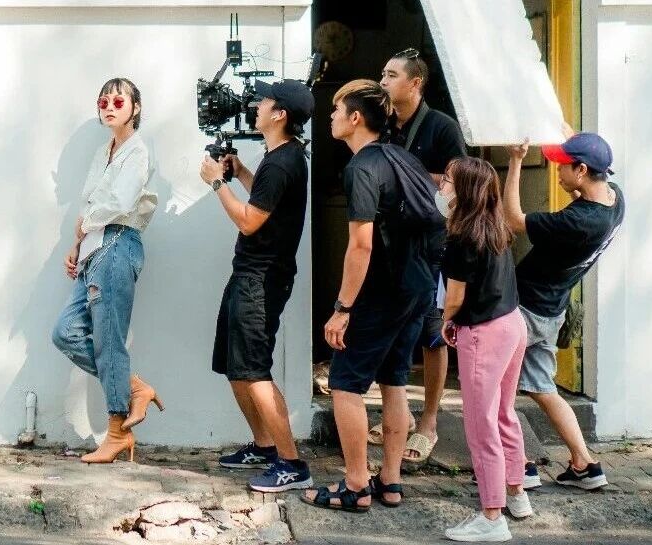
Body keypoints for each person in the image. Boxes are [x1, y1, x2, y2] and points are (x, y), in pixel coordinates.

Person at [301, 80, 432, 512]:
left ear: (355, 118)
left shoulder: (360, 168)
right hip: (416, 288)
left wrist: (342, 308)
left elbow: (361, 245)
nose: (331, 116)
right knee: (395, 383)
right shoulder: (405, 158)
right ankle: (390, 481)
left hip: (380, 293)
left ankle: (356, 485)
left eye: (336, 110)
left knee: (345, 384)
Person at [199, 79, 315, 493]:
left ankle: (292, 464)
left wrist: (217, 183)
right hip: (249, 273)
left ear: (279, 114)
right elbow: (265, 202)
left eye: (264, 100)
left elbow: (249, 221)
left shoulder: (283, 162)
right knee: (236, 367)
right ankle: (265, 447)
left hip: (261, 280)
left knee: (254, 370)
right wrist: (242, 172)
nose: (256, 104)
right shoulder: (279, 156)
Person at [503, 133, 625, 490]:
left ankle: (520, 467)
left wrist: (515, 161)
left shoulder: (578, 222)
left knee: (495, 388)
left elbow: (514, 219)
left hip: (525, 311)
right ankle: (585, 464)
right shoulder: (615, 199)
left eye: (563, 166)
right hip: (551, 311)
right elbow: (585, 193)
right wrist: (564, 131)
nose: (557, 171)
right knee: (543, 388)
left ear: (582, 170)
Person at [51, 77, 160, 464]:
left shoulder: (137, 151)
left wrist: (85, 225)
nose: (109, 108)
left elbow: (119, 203)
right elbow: (91, 206)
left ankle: (116, 434)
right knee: (65, 332)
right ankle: (134, 388)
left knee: (108, 340)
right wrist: (77, 246)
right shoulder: (104, 151)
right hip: (95, 249)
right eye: (103, 102)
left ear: (135, 108)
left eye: (118, 101)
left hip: (117, 244)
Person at [372, 48, 468, 464]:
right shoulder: (381, 122)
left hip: (431, 243)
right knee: (389, 326)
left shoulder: (442, 126)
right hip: (388, 240)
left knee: (432, 332)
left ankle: (429, 421)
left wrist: (406, 174)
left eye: (391, 75)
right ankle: (398, 414)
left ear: (416, 83)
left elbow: (461, 182)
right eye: (382, 73)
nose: (383, 81)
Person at [438, 157, 532, 542]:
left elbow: (455, 296)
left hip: (484, 333)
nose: (442, 185)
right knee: (505, 413)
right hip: (512, 324)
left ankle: (492, 517)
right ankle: (517, 492)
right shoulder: (496, 227)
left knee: (481, 425)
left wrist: (447, 321)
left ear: (464, 190)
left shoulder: (461, 236)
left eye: (447, 180)